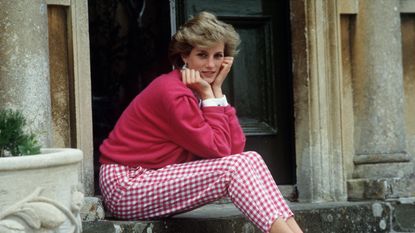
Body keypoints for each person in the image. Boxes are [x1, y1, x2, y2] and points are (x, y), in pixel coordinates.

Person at [99, 11, 303, 233]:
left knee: (251, 158)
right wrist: (208, 95)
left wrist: (216, 91)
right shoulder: (173, 92)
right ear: (185, 56)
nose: (211, 65)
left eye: (218, 55)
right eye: (202, 55)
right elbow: (221, 151)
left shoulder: (198, 88)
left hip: (150, 178)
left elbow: (235, 149)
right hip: (126, 186)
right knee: (234, 168)